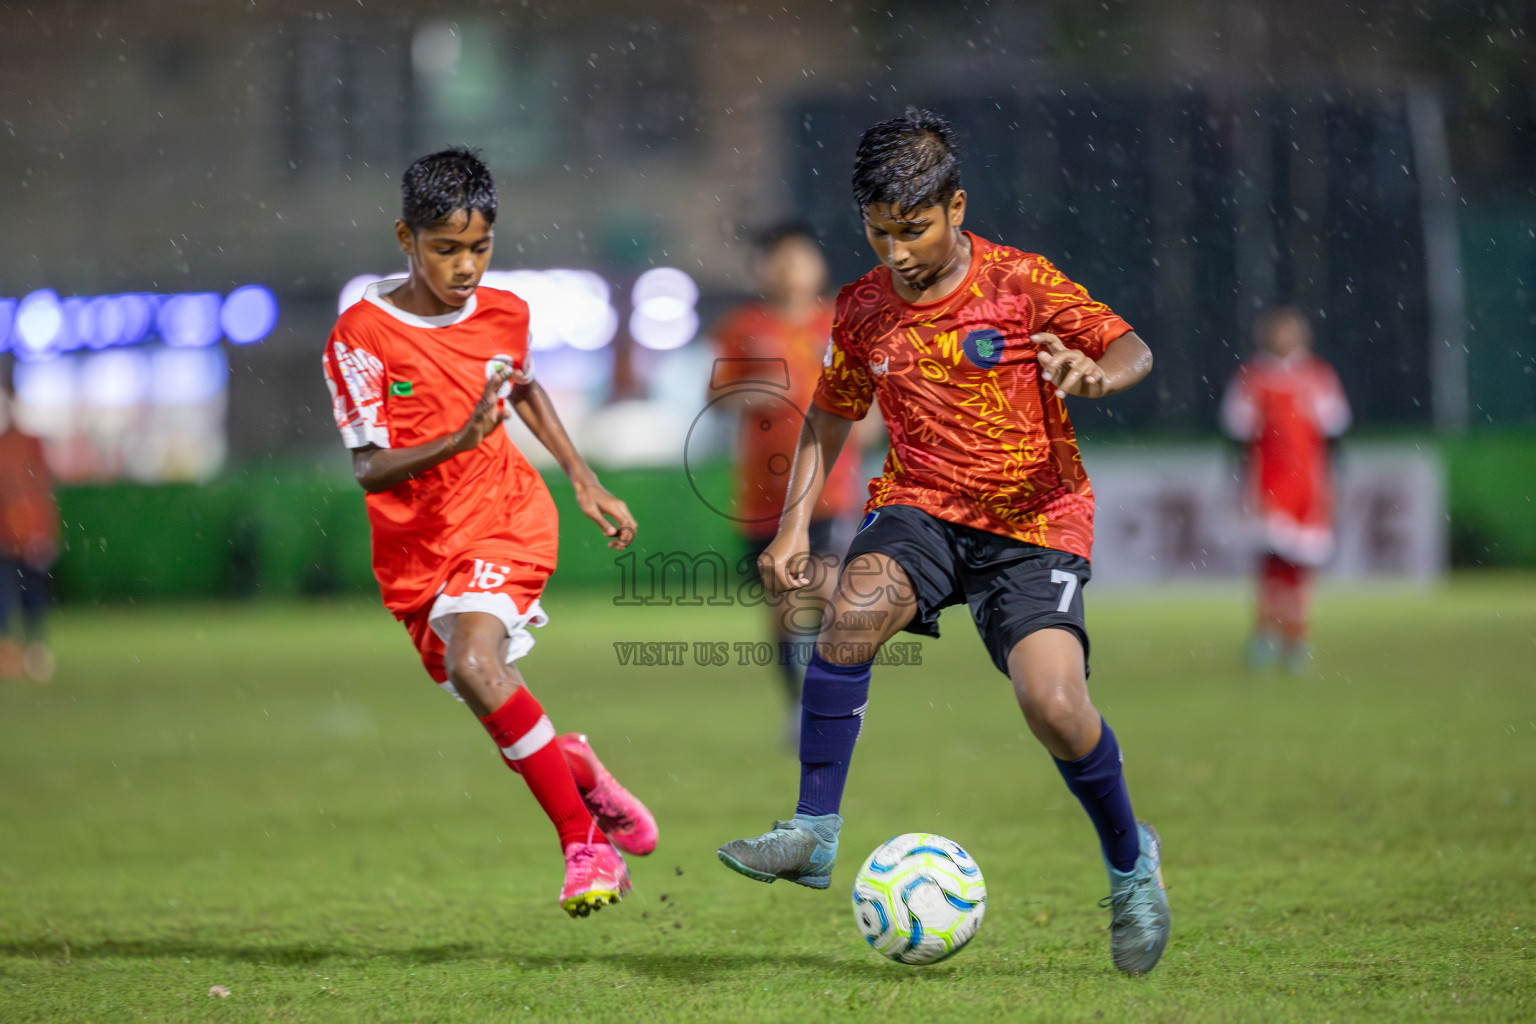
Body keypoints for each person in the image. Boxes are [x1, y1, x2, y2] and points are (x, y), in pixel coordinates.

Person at [715, 110, 1171, 975]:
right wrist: (793, 525)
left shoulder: (1020, 282)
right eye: (878, 231)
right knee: (848, 617)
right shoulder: (860, 310)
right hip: (921, 507)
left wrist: (1096, 373)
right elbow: (832, 415)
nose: (895, 252)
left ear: (957, 207)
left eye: (914, 230)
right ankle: (814, 831)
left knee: (1054, 707)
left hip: (1033, 522)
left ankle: (1129, 863)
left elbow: (1131, 346)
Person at [321, 147, 656, 917]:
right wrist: (459, 437)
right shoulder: (360, 336)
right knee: (495, 705)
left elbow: (525, 388)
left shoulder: (505, 314)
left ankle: (583, 846)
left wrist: (581, 476)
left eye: (480, 247)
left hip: (505, 518)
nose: (466, 266)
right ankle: (575, 766)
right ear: (406, 238)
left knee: (478, 663)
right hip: (416, 554)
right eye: (446, 249)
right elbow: (370, 468)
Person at [709, 225, 869, 745]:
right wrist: (755, 393)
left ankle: (833, 701)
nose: (790, 269)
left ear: (817, 265)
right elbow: (717, 397)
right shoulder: (743, 328)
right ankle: (798, 705)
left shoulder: (841, 322)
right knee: (781, 603)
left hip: (829, 487)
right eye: (779, 259)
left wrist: (869, 424)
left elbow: (875, 395)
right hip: (761, 493)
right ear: (762, 268)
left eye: (800, 258)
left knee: (824, 587)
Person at [1220, 306, 1350, 675]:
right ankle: (1265, 635)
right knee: (1271, 563)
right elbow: (1239, 435)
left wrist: (1334, 480)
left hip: (1307, 485)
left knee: (1302, 565)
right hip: (1266, 484)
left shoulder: (1318, 376)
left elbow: (1334, 432)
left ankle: (1297, 638)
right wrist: (1238, 482)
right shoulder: (1252, 378)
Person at [0, 382, 58, 682]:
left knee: (33, 594)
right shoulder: (5, 445)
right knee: (3, 596)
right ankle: (9, 653)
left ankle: (35, 650)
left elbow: (40, 490)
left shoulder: (29, 444)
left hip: (30, 538)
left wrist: (41, 531)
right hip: (4, 540)